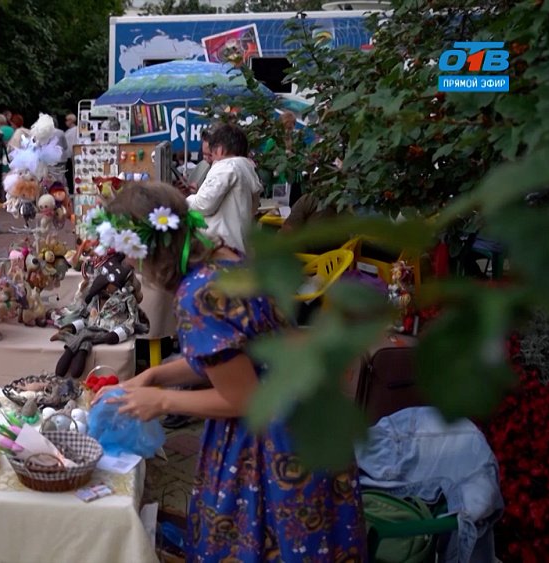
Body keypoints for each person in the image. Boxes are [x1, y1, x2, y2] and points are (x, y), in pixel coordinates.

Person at [91, 182, 365, 561]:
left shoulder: (198, 294)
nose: (132, 267)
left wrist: (162, 399)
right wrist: (154, 376)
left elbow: (242, 396)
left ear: (149, 253)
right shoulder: (226, 258)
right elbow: (234, 358)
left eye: (132, 256)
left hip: (273, 441)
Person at [187, 123, 262, 254]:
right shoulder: (247, 169)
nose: (211, 159)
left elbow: (203, 204)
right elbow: (254, 208)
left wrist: (184, 201)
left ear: (220, 150)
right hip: (240, 246)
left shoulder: (226, 167)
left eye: (211, 153)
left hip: (222, 246)